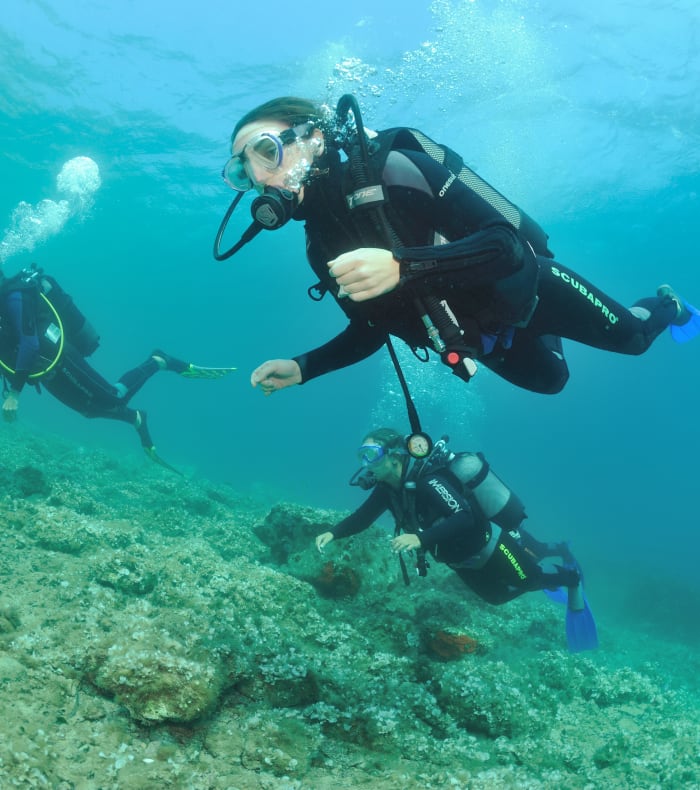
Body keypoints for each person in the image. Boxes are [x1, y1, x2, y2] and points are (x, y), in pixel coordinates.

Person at [213, 95, 700, 396]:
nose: (257, 177)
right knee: (553, 383)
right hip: (483, 337)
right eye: (242, 170)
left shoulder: (396, 170)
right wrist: (304, 367)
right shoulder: (320, 249)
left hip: (531, 285)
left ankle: (667, 306)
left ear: (313, 138)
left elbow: (506, 244)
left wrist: (402, 265)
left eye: (265, 151)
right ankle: (552, 335)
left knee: (634, 342)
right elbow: (371, 328)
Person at [314, 428, 598, 652]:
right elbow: (362, 517)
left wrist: (420, 538)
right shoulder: (387, 490)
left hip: (490, 546)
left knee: (529, 580)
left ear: (394, 455)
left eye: (371, 454)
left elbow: (464, 516)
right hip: (460, 561)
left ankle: (569, 578)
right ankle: (543, 551)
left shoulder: (428, 481)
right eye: (362, 456)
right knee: (496, 597)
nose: (366, 464)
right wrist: (333, 532)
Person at [0, 265, 235, 467]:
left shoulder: (14, 297)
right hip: (43, 370)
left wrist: (14, 394)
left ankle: (157, 361)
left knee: (114, 398)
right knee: (88, 410)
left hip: (59, 356)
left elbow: (29, 344)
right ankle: (135, 418)